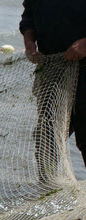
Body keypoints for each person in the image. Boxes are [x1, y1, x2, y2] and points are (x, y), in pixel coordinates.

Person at [20, 0, 86, 183]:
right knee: (47, 133)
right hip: (52, 67)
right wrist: (29, 38)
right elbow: (29, 14)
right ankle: (47, 188)